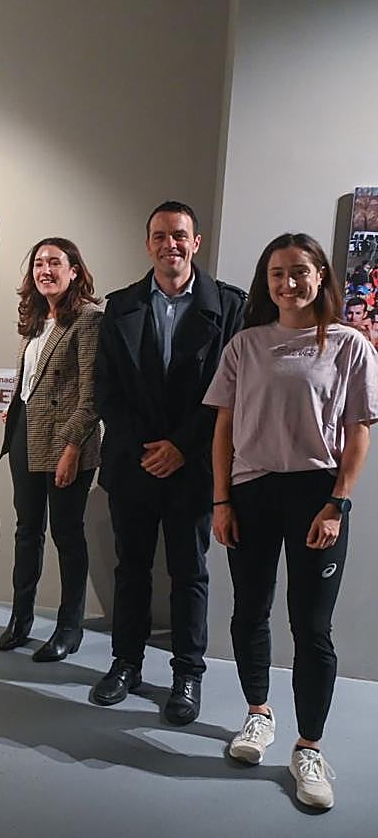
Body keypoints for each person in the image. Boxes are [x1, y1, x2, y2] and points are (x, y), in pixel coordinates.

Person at [205, 232, 377, 810]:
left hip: (316, 496)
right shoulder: (245, 345)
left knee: (312, 626)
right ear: (266, 282)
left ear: (320, 276)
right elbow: (223, 429)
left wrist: (338, 503)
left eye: (299, 271)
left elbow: (358, 432)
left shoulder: (349, 345)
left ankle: (309, 748)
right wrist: (221, 501)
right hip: (251, 492)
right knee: (249, 610)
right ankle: (258, 713)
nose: (288, 283)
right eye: (277, 273)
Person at [91, 201, 246, 724]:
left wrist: (181, 447)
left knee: (189, 573)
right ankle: (125, 664)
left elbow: (228, 394)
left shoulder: (230, 308)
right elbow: (106, 391)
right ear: (148, 244)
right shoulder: (121, 307)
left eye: (179, 235)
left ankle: (187, 675)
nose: (169, 244)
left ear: (195, 242)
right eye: (159, 236)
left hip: (194, 466)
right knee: (131, 569)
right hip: (133, 463)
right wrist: (146, 448)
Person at [0, 238, 102, 662]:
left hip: (67, 442)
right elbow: (35, 380)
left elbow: (92, 394)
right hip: (25, 433)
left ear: (74, 270)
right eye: (39, 263)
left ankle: (69, 628)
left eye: (55, 262)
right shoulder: (37, 318)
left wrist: (73, 447)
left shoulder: (89, 319)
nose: (45, 270)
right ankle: (20, 618)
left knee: (67, 534)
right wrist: (18, 409)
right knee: (27, 531)